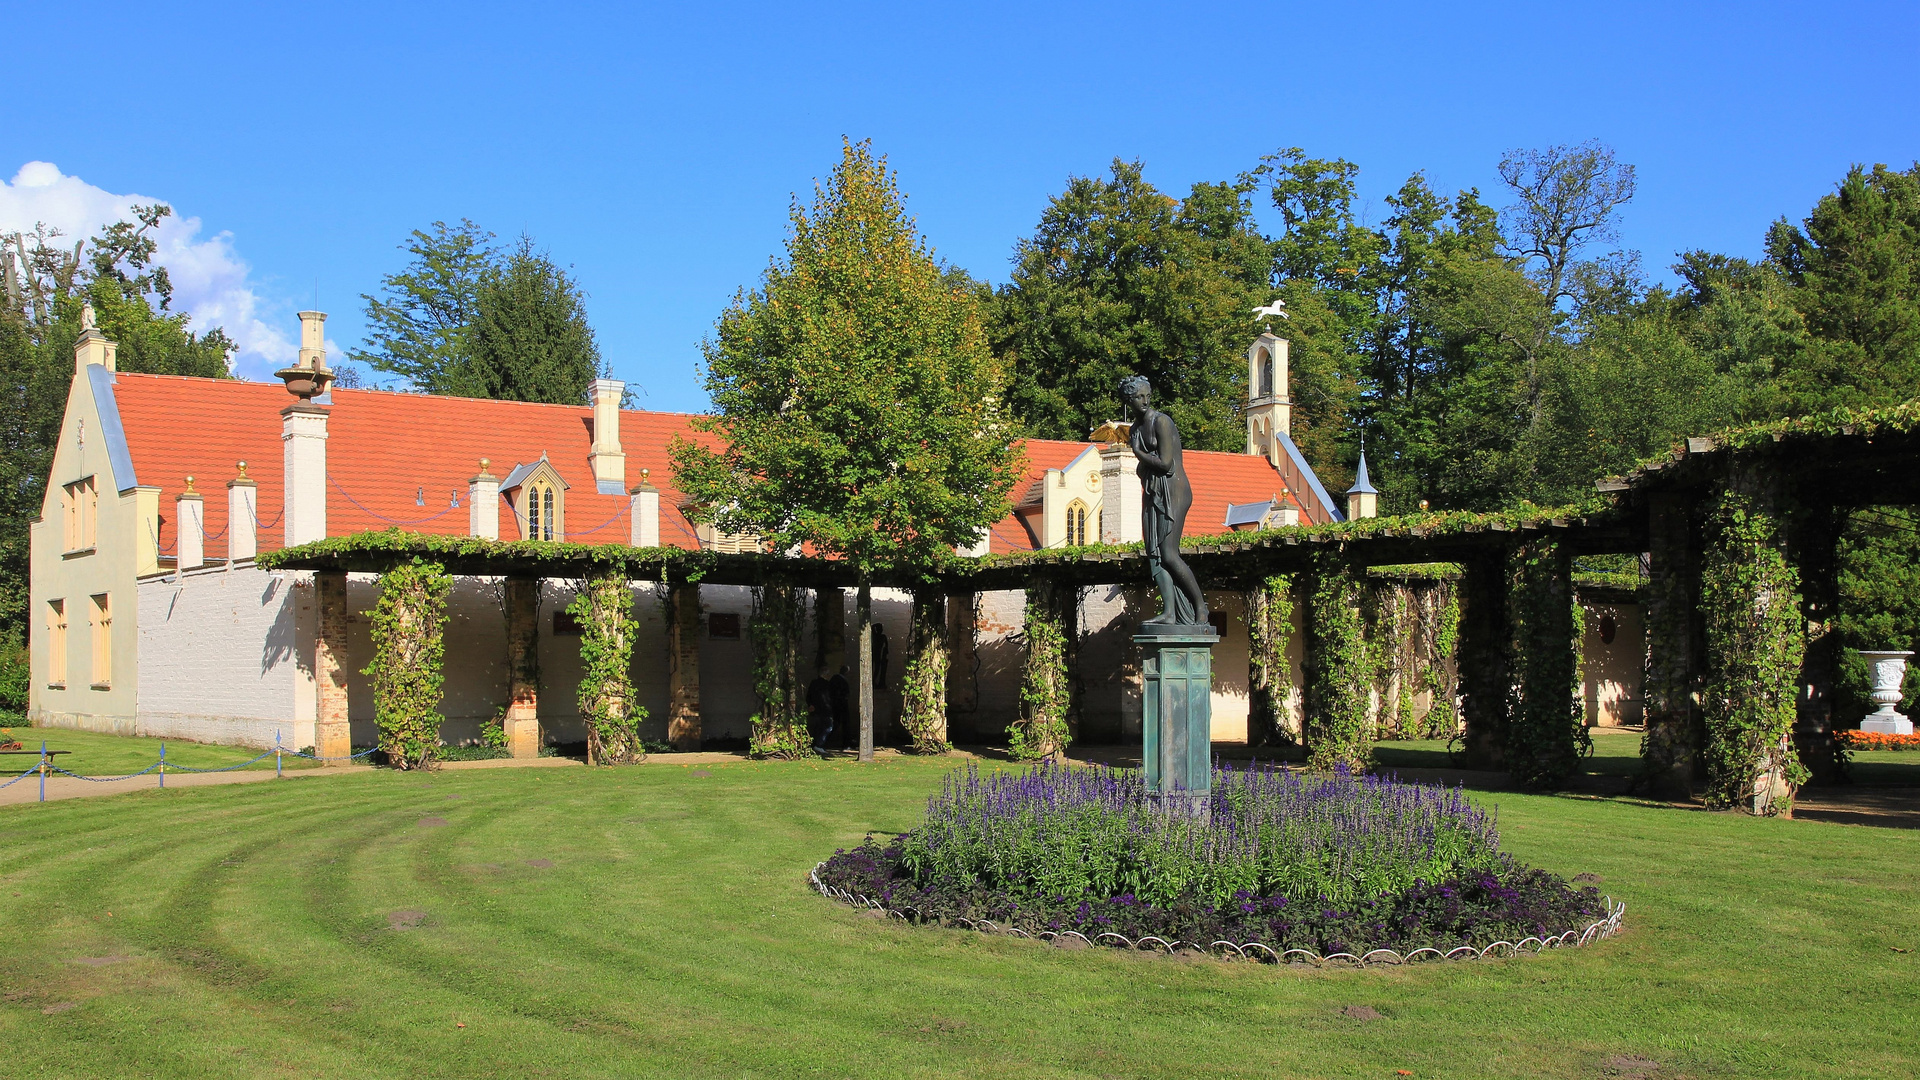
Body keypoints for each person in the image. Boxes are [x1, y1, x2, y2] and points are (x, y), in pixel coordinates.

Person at [1122, 374, 1208, 625]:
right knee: (1154, 554)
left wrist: (1138, 453)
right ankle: (1170, 613)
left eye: (1147, 395)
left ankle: (1200, 606)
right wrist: (1141, 465)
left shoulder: (1162, 422)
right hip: (1153, 492)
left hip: (1174, 490)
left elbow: (1166, 464)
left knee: (1169, 553)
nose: (1145, 401)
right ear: (1129, 401)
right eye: (1139, 397)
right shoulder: (1136, 429)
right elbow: (1145, 470)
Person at [806, 666, 834, 751]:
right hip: (825, 710)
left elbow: (808, 696)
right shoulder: (827, 685)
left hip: (815, 710)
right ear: (826, 675)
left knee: (817, 728)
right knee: (828, 727)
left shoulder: (813, 683)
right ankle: (819, 745)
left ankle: (815, 745)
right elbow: (829, 698)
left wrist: (810, 704)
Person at [829, 665, 853, 750]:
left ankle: (826, 741)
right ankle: (845, 744)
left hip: (835, 704)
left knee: (836, 722)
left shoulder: (833, 679)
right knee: (843, 723)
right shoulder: (842, 681)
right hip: (841, 704)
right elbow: (844, 693)